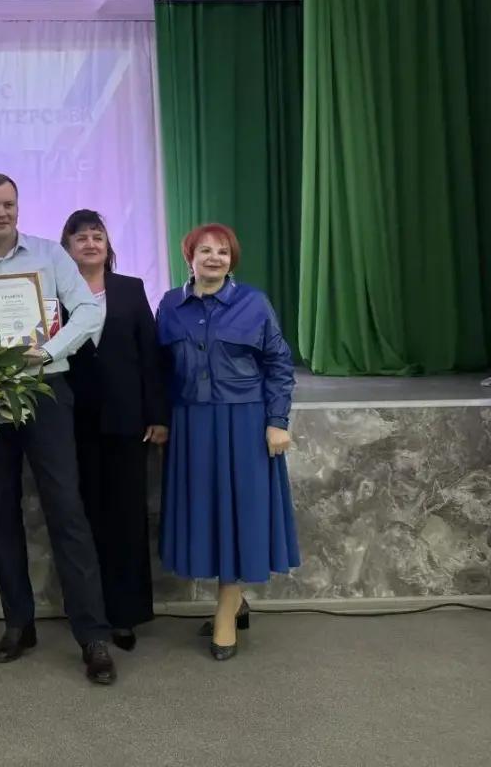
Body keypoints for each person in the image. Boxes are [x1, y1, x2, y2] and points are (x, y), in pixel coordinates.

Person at [0, 172, 117, 685]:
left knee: (67, 511)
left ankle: (92, 635)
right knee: (0, 514)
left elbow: (89, 311)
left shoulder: (50, 256)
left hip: (46, 392)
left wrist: (49, 351)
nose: (2, 212)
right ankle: (19, 624)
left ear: (18, 207)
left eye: (9, 204)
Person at [155, 222, 299, 661]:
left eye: (222, 251)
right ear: (190, 258)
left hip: (244, 424)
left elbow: (279, 364)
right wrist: (160, 419)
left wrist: (277, 421)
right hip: (191, 425)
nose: (214, 258)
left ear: (231, 259)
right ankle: (235, 603)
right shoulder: (170, 305)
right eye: (205, 250)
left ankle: (225, 612)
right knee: (209, 515)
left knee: (239, 515)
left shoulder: (254, 303)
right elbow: (160, 370)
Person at [60, 209, 168, 653]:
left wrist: (158, 415)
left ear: (107, 246)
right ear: (67, 248)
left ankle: (125, 616)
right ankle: (91, 614)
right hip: (72, 422)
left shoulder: (130, 289)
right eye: (80, 237)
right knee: (83, 520)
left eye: (97, 236)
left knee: (127, 518)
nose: (90, 243)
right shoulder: (54, 293)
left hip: (127, 422)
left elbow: (150, 356)